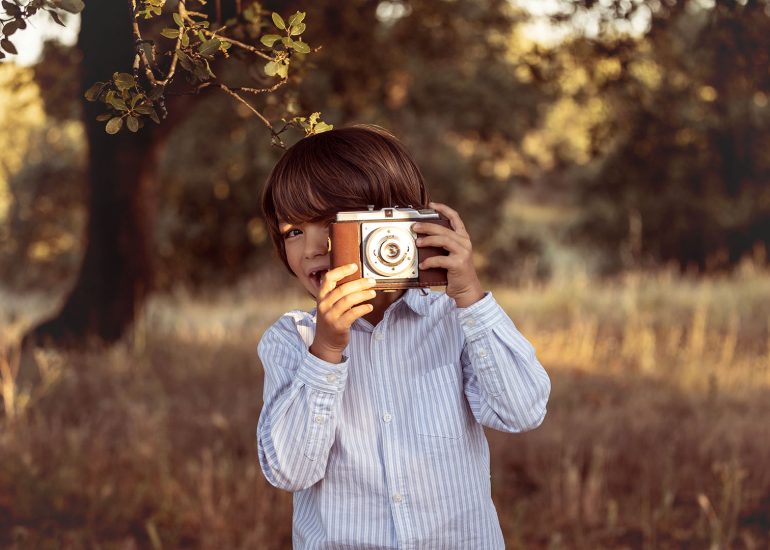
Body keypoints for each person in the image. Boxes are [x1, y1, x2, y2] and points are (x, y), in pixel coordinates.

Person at [256, 125, 551, 549]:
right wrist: (324, 354)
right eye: (293, 232)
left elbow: (522, 411)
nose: (312, 248)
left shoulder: (453, 319)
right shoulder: (292, 340)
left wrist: (470, 295)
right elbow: (290, 472)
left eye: (332, 223)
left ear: (399, 222)